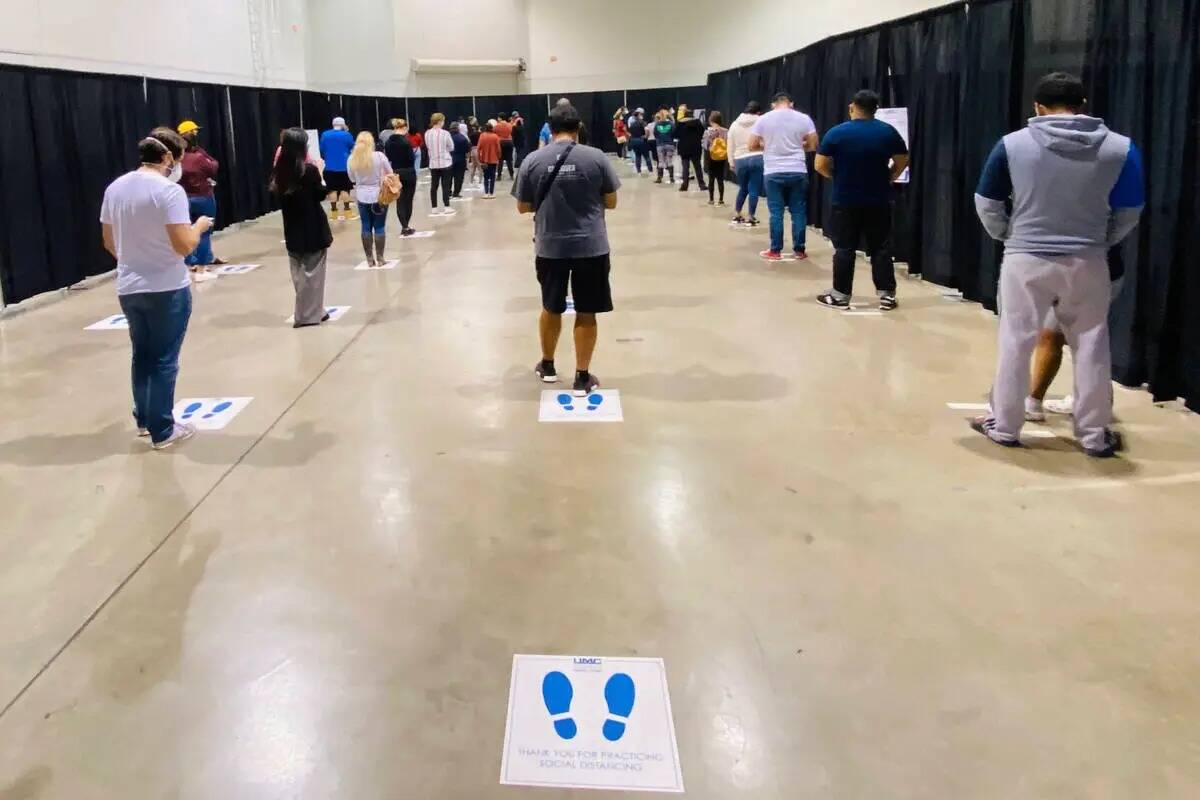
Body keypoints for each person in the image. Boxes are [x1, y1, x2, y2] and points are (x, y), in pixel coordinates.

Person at [970, 72, 1144, 458]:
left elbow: (987, 202)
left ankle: (1005, 426)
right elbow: (1130, 210)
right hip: (1089, 260)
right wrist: (1100, 240)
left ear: (1038, 108)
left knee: (1015, 341)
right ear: (1083, 106)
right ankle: (1095, 435)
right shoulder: (1121, 148)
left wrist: (1009, 237)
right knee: (1092, 345)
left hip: (1026, 259)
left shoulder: (1011, 145)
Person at [100, 127, 212, 450]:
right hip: (166, 287)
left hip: (129, 285)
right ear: (167, 158)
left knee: (142, 354)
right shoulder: (168, 192)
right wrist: (199, 227)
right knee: (164, 358)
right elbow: (182, 244)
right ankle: (163, 428)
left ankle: (144, 419)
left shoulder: (115, 188)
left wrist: (137, 257)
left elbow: (109, 242)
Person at [513, 102, 620, 397]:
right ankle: (582, 376)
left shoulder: (533, 160)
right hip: (591, 245)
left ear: (551, 128)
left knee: (551, 306)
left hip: (550, 246)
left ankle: (547, 366)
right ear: (578, 128)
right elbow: (611, 201)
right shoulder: (596, 157)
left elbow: (522, 206)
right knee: (587, 311)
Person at [813, 90, 909, 311]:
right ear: (875, 110)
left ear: (852, 107)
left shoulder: (837, 133)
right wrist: (889, 177)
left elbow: (819, 165)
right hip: (879, 199)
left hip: (845, 199)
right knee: (881, 247)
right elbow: (902, 161)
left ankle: (840, 295)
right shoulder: (888, 132)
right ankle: (887, 295)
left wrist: (836, 177)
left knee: (845, 248)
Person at [1026, 248, 1126, 421]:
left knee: (1054, 335)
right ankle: (1097, 403)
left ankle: (1033, 402)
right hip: (1101, 269)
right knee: (1085, 338)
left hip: (1081, 271)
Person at [271, 128, 333, 329]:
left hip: (292, 227)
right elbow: (320, 194)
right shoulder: (310, 171)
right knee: (313, 274)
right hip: (313, 227)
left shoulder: (279, 172)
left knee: (298, 273)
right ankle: (307, 315)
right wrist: (321, 173)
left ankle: (314, 309)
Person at [749, 92, 818, 261]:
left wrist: (768, 146)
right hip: (798, 169)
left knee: (776, 212)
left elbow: (751, 145)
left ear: (773, 104)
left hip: (773, 171)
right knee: (799, 211)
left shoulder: (763, 119)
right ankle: (799, 250)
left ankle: (775, 250)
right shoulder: (804, 118)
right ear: (791, 103)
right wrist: (799, 145)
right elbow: (813, 145)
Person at [176, 120, 221, 280]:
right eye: (195, 131)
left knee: (187, 231)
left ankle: (190, 264)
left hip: (183, 199)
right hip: (203, 197)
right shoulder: (199, 157)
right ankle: (202, 269)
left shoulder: (176, 157)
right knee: (204, 232)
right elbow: (213, 166)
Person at [346, 131, 394, 266]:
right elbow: (390, 173)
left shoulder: (351, 158)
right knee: (379, 226)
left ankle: (369, 259)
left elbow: (352, 178)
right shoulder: (379, 156)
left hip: (361, 195)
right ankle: (380, 258)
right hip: (379, 195)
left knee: (365, 226)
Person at [727, 101, 763, 227]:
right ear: (758, 112)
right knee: (754, 188)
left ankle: (737, 214)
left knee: (743, 188)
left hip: (740, 159)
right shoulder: (761, 121)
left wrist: (731, 162)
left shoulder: (734, 124)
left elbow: (730, 145)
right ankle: (751, 217)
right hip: (757, 157)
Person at [384, 118, 418, 236]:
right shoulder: (406, 142)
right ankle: (406, 225)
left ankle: (403, 225)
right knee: (408, 199)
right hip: (408, 171)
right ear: (404, 128)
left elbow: (388, 156)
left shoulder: (388, 142)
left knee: (400, 199)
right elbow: (411, 158)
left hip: (396, 171)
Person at [319, 117, 356, 221]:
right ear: (343, 124)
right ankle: (347, 212)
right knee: (345, 189)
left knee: (332, 189)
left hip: (329, 167)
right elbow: (352, 147)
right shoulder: (347, 135)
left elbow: (322, 149)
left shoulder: (325, 135)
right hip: (344, 167)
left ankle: (334, 213)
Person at [425, 113, 456, 216]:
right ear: (439, 121)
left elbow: (428, 146)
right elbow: (451, 147)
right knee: (445, 185)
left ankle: (434, 208)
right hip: (445, 162)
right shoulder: (445, 133)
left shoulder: (427, 133)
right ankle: (447, 206)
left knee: (434, 186)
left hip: (433, 163)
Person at [675, 103, 707, 192]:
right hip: (696, 147)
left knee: (685, 167)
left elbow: (675, 134)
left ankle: (684, 185)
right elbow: (702, 132)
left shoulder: (680, 124)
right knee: (697, 166)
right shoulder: (697, 123)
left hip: (683, 147)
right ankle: (702, 184)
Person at [702, 111, 729, 205]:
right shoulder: (725, 131)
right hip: (722, 157)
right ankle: (721, 199)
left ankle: (711, 199)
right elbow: (727, 143)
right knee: (720, 178)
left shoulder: (707, 131)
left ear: (711, 120)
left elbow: (705, 145)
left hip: (711, 157)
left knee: (711, 178)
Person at [477, 121, 502, 198]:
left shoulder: (482, 135)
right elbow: (498, 149)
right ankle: (491, 193)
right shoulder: (495, 136)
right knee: (492, 177)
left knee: (486, 177)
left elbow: (478, 148)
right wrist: (499, 156)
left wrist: (479, 159)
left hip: (484, 159)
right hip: (494, 159)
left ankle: (486, 192)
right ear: (492, 128)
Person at [652, 111, 677, 184]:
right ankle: (671, 178)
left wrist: (660, 138)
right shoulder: (671, 124)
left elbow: (655, 134)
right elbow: (674, 133)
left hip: (660, 144)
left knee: (660, 161)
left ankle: (659, 178)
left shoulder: (657, 124)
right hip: (670, 143)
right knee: (669, 161)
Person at [628, 110, 652, 175]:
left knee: (637, 156)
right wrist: (646, 136)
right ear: (639, 115)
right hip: (641, 140)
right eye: (641, 115)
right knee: (646, 156)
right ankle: (650, 171)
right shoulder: (643, 123)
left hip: (634, 141)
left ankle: (639, 171)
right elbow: (647, 130)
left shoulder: (632, 124)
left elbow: (629, 133)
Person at [450, 123, 470, 198]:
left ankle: (448, 192)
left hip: (448, 160)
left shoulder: (446, 137)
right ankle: (456, 193)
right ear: (458, 128)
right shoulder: (463, 138)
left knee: (448, 177)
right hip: (460, 160)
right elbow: (467, 151)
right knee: (459, 177)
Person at [494, 112, 516, 180]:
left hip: (501, 142)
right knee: (509, 160)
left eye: (498, 117)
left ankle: (499, 176)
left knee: (500, 160)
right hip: (509, 142)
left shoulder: (497, 125)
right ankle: (512, 175)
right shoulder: (510, 125)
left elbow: (494, 132)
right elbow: (512, 131)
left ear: (500, 118)